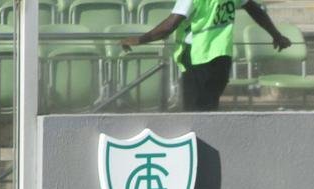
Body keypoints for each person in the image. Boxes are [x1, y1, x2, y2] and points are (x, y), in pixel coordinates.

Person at [121, 0, 290, 111]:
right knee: (210, 107)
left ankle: (200, 158)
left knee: (194, 112)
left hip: (197, 57)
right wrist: (276, 35)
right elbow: (255, 9)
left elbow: (169, 26)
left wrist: (138, 40)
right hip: (222, 56)